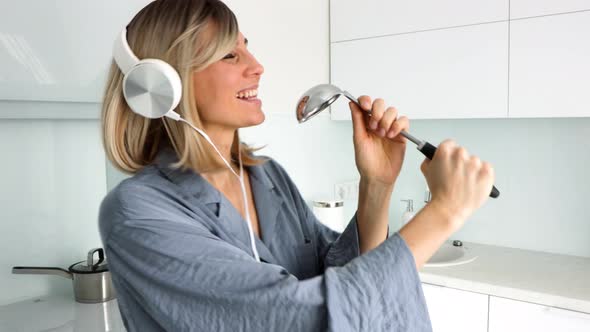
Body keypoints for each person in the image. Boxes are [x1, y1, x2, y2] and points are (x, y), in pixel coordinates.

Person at [98, 0, 495, 331]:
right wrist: (444, 212)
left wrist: (376, 186)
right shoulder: (137, 213)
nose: (257, 66)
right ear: (165, 84)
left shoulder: (266, 176)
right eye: (231, 55)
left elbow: (337, 271)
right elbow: (301, 316)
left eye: (248, 47)